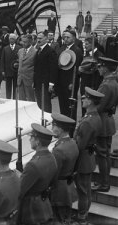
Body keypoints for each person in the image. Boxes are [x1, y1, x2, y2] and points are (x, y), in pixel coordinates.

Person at [73, 87, 104, 225]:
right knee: (86, 190)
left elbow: (79, 144)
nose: (83, 99)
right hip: (89, 156)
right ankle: (83, 215)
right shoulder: (94, 116)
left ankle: (81, 218)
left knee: (83, 191)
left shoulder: (87, 121)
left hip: (83, 159)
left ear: (91, 102)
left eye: (86, 97)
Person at [18, 123, 58, 225]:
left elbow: (19, 191)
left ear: (38, 141)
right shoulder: (51, 157)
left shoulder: (33, 165)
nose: (29, 140)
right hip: (44, 203)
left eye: (31, 137)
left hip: (31, 209)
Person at [92, 57, 118, 192]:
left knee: (102, 155)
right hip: (108, 120)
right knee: (105, 154)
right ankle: (104, 181)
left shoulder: (106, 85)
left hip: (102, 122)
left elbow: (99, 106)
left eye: (100, 67)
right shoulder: (112, 82)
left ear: (106, 68)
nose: (98, 69)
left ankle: (104, 183)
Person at [50, 113, 79, 224]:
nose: (52, 128)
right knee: (66, 218)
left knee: (59, 219)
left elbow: (54, 173)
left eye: (54, 126)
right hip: (68, 186)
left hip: (59, 190)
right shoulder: (73, 143)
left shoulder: (59, 149)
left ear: (61, 129)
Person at [57, 30, 83, 120]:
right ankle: (63, 125)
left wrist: (73, 82)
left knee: (71, 108)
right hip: (61, 82)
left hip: (70, 83)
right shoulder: (61, 48)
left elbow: (77, 69)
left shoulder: (77, 51)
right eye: (64, 37)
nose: (66, 39)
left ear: (74, 38)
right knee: (62, 105)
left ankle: (71, 129)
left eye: (68, 37)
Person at [33, 30, 58, 113]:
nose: (38, 40)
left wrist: (51, 83)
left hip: (46, 83)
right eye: (37, 38)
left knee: (46, 104)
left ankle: (47, 121)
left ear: (46, 39)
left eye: (40, 38)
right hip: (38, 83)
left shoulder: (50, 51)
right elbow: (36, 68)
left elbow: (53, 68)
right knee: (39, 104)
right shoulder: (38, 50)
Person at [0, 33, 21, 99]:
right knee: (8, 86)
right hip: (8, 71)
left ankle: (15, 99)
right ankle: (8, 98)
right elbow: (2, 60)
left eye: (12, 39)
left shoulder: (19, 48)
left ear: (15, 40)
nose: (11, 40)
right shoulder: (5, 48)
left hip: (16, 71)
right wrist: (2, 70)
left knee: (15, 86)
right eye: (10, 39)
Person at [17, 34, 36, 101]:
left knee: (31, 99)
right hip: (20, 79)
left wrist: (34, 81)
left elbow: (36, 68)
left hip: (29, 80)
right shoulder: (20, 51)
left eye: (25, 42)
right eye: (22, 41)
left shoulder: (35, 52)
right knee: (21, 100)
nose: (23, 43)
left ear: (30, 42)